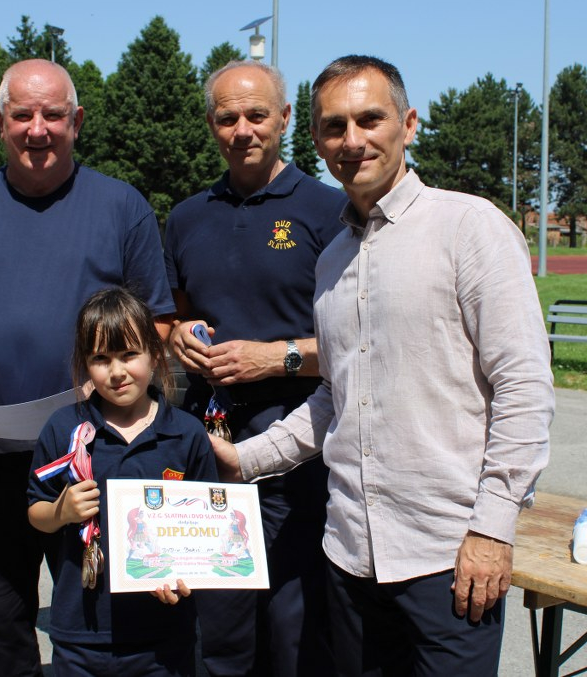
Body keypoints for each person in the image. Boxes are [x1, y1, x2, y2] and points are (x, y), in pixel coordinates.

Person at [212, 55, 556, 675]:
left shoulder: (469, 227)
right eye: (335, 127)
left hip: (448, 556)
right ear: (316, 140)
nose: (353, 141)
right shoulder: (332, 260)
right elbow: (336, 396)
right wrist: (245, 460)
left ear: (408, 123)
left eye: (370, 120)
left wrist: (493, 529)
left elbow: (524, 388)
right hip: (349, 555)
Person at [0, 59, 174, 677]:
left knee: (103, 624)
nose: (37, 129)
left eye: (52, 115)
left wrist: (107, 385)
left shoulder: (122, 206)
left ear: (75, 120)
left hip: (97, 458)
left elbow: (157, 319)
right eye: (22, 115)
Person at [163, 60, 346, 676]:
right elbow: (169, 319)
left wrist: (275, 358)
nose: (242, 129)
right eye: (227, 118)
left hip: (300, 444)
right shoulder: (187, 217)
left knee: (294, 626)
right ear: (211, 125)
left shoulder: (329, 211)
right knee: (217, 626)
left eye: (257, 114)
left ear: (285, 118)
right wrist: (177, 335)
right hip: (207, 445)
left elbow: (360, 343)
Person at [28, 287, 216, 677]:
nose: (116, 372)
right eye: (100, 358)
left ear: (155, 352)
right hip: (81, 633)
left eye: (129, 354)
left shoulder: (186, 434)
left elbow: (208, 532)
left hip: (163, 637)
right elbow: (36, 512)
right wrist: (61, 511)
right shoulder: (64, 428)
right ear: (84, 362)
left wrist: (187, 573)